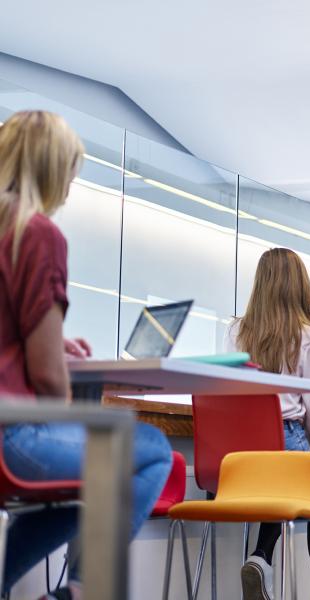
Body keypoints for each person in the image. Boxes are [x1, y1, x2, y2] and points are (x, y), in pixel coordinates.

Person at [0, 110, 173, 600]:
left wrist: (50, 339)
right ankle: (80, 591)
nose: (70, 189)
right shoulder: (36, 233)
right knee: (150, 452)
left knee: (92, 482)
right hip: (10, 436)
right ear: (53, 171)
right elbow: (49, 379)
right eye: (71, 175)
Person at [227, 247, 310, 600]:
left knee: (283, 492)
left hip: (239, 455)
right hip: (286, 440)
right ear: (301, 288)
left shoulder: (236, 332)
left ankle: (261, 558)